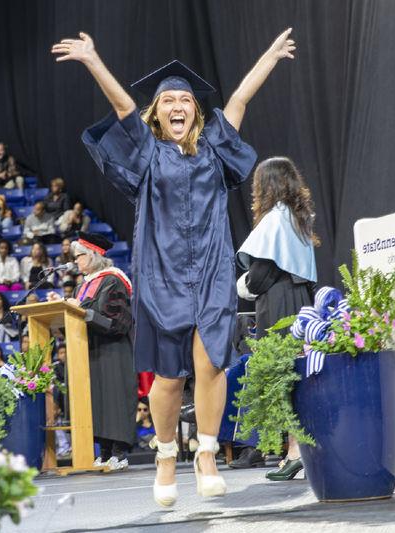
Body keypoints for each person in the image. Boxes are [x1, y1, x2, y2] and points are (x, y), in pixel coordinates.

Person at [54, 28, 295, 505]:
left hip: (210, 270)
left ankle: (206, 453)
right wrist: (93, 60)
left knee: (211, 364)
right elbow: (124, 109)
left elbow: (241, 100)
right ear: (159, 113)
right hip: (162, 276)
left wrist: (267, 57)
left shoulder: (213, 151)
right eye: (169, 101)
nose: (178, 105)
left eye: (186, 99)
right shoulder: (147, 154)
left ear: (195, 113)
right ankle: (166, 455)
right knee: (169, 377)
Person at [234, 156, 318, 479]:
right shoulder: (299, 219)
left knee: (283, 377)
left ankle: (295, 451)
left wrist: (244, 286)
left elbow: (261, 274)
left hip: (278, 304)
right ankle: (296, 450)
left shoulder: (274, 221)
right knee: (296, 373)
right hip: (301, 302)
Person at [48, 233, 136, 470]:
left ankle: (120, 453)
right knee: (96, 401)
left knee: (113, 400)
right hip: (89, 349)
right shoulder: (81, 286)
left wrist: (84, 312)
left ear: (93, 255)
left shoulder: (113, 281)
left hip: (113, 351)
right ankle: (104, 453)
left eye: (78, 256)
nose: (75, 261)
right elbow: (78, 316)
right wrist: (63, 305)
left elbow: (119, 322)